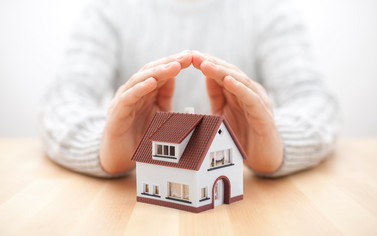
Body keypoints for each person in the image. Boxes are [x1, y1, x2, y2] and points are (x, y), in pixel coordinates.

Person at [39, 0, 339, 178]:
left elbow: (313, 98)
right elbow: (63, 97)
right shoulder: (109, 9)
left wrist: (279, 144)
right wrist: (103, 147)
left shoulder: (268, 9)